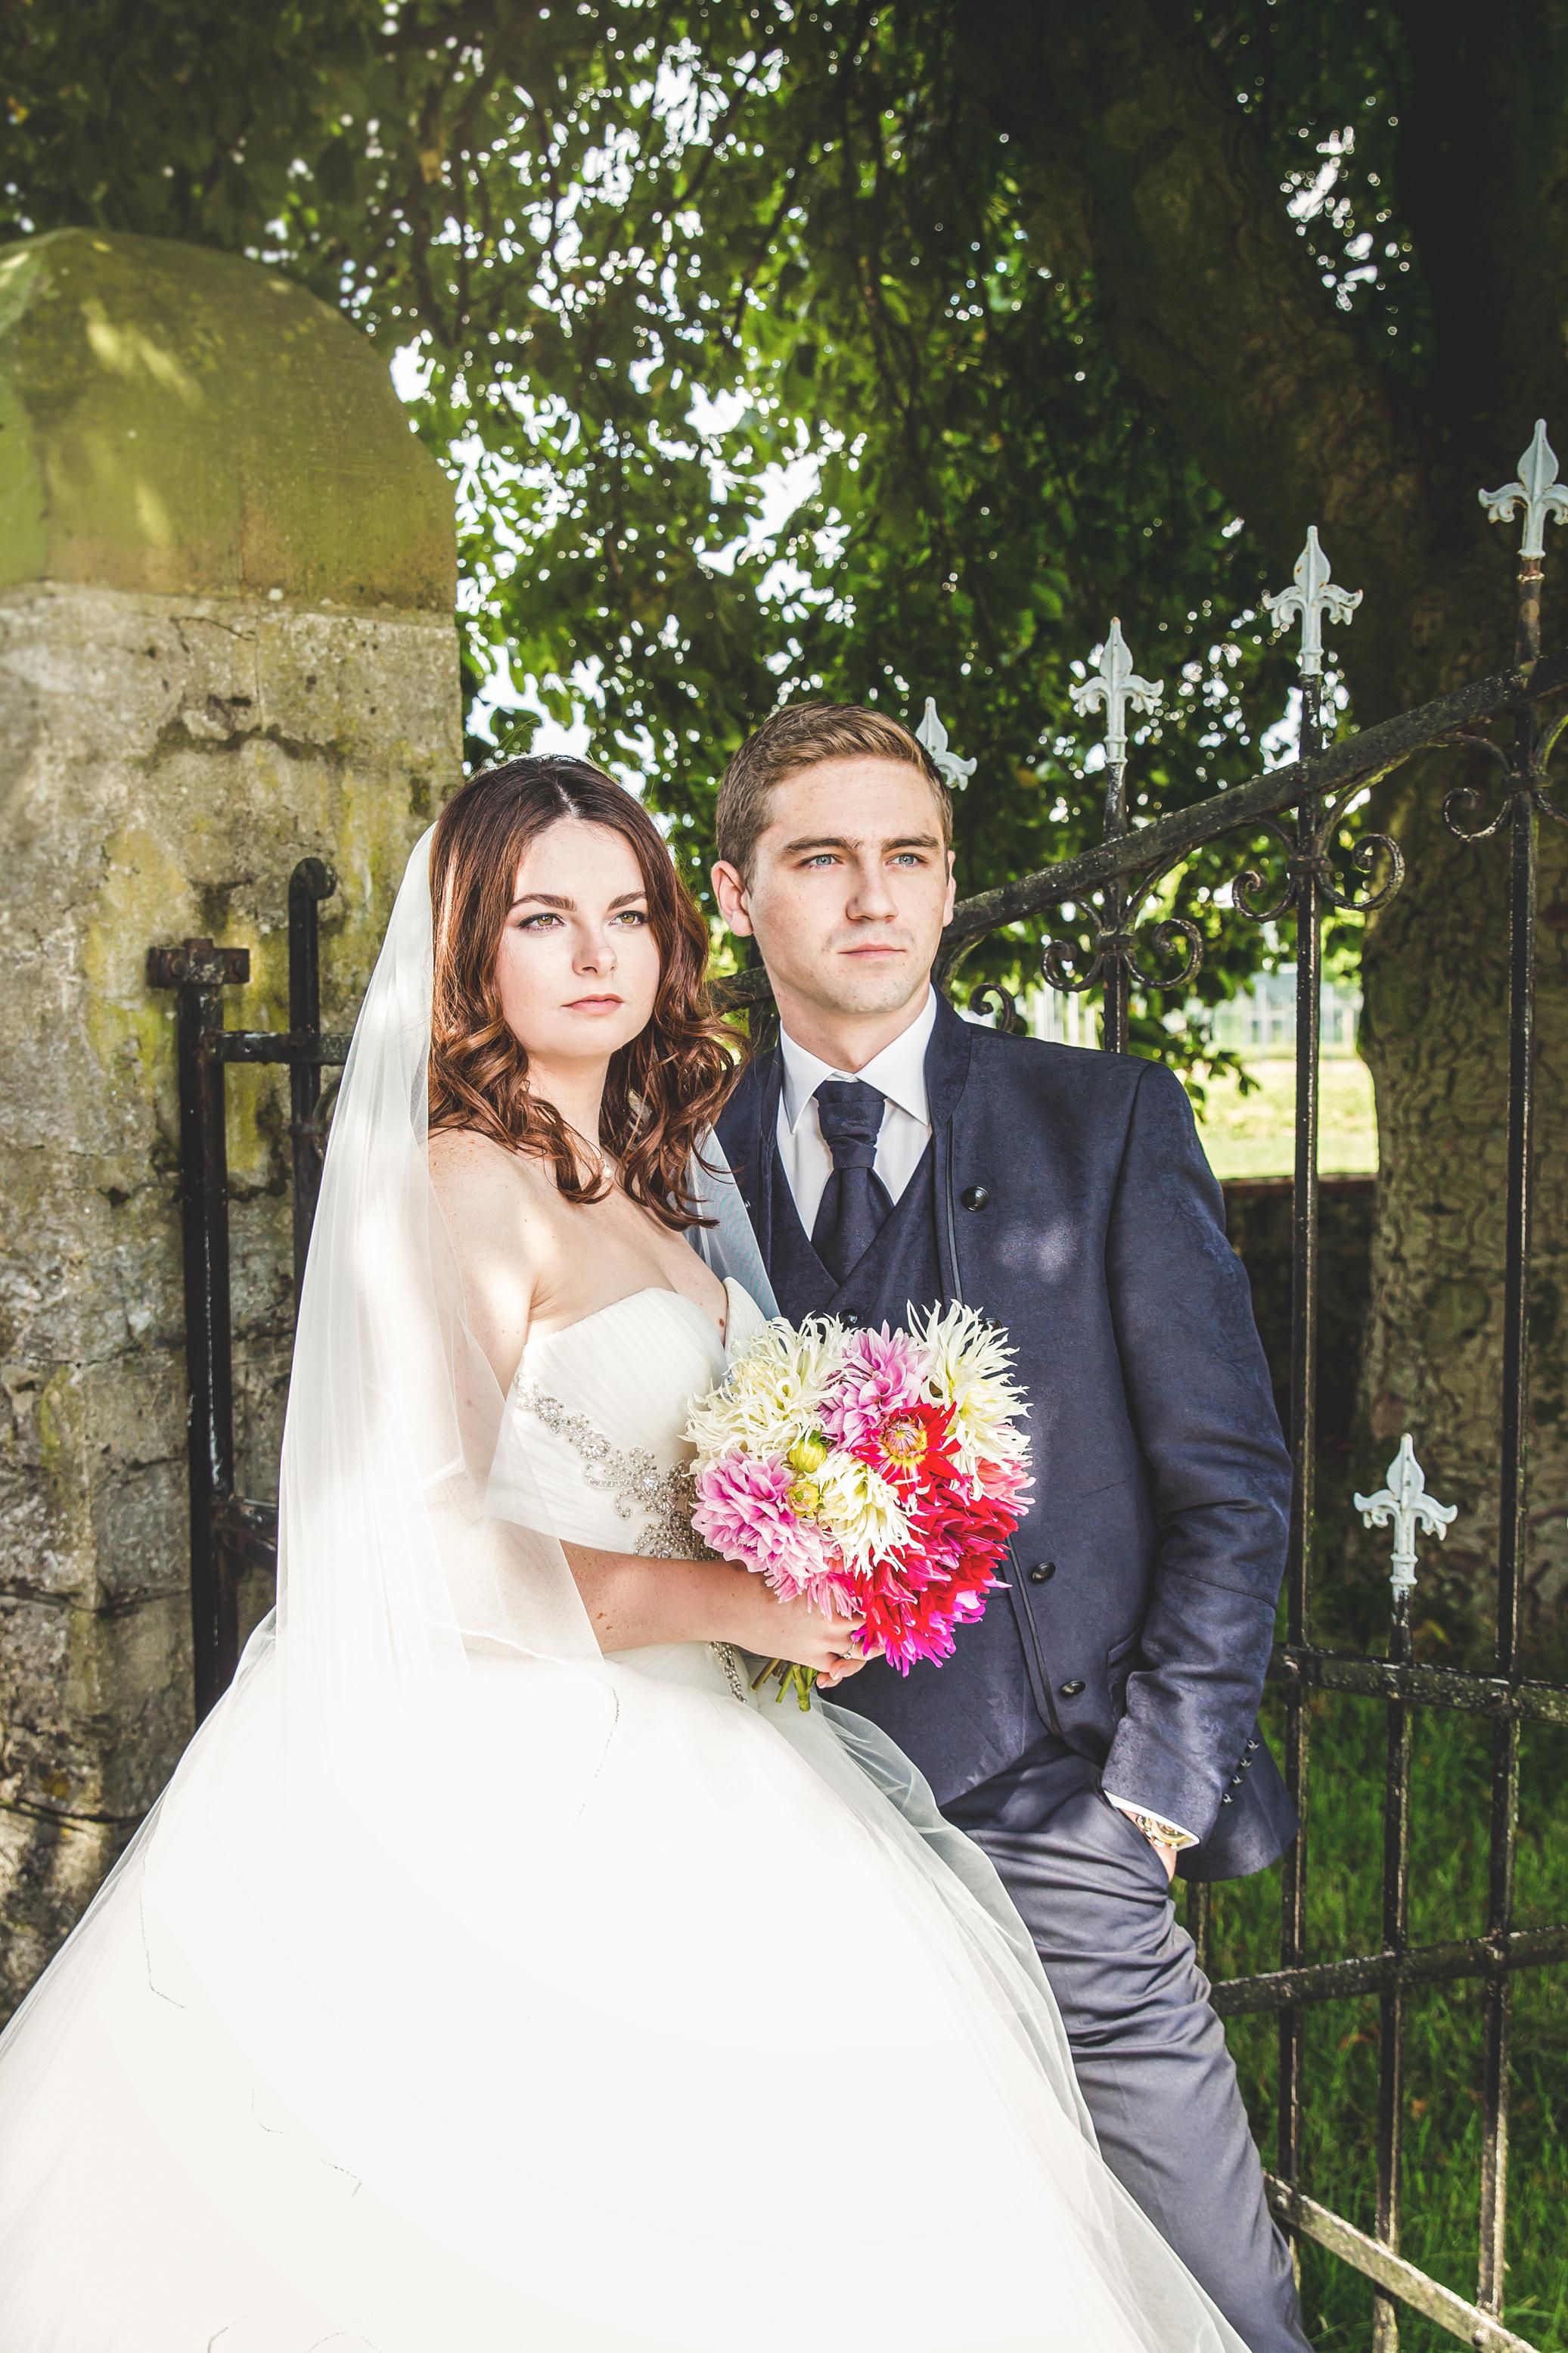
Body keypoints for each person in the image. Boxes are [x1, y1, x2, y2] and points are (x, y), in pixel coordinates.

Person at [0, 756, 1248, 2351]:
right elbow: (420, 1539)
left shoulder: (653, 1193)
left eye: (623, 915)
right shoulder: (457, 1186)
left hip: (713, 1746)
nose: (596, 954)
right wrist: (742, 1600)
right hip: (517, 1771)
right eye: (540, 917)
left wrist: (842, 1544)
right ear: (470, 954)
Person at [710, 704, 1309, 2353]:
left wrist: (1154, 1801)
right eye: (820, 857)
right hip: (768, 1827)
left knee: (1215, 2297)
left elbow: (1232, 1480)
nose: (871, 897)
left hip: (1065, 1813)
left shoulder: (1101, 1121)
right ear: (733, 891)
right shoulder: (671, 1163)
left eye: (907, 856)